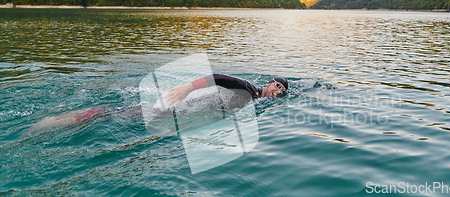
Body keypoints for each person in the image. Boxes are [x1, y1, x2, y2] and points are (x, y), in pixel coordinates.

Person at [23, 74, 288, 138]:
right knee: (111, 117)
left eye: (283, 92)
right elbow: (217, 77)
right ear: (269, 82)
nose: (278, 92)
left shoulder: (257, 103)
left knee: (121, 117)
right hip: (173, 111)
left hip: (182, 118)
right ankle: (59, 121)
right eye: (278, 86)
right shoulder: (246, 88)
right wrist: (187, 88)